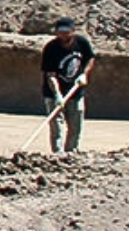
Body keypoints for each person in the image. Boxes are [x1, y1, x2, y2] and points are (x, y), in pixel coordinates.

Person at [40, 16, 96, 153]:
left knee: (75, 126)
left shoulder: (82, 43)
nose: (63, 35)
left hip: (75, 92)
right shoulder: (51, 48)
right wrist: (57, 94)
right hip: (53, 94)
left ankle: (71, 153)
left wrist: (84, 74)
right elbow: (50, 75)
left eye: (66, 31)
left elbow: (90, 58)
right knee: (56, 127)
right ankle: (58, 155)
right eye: (60, 32)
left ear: (73, 31)